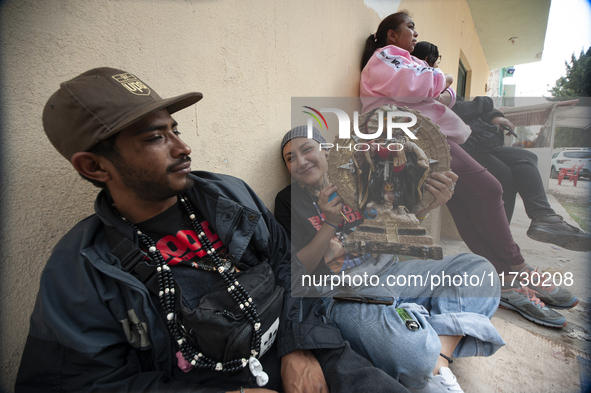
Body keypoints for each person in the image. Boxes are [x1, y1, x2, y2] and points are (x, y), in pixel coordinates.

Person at [15, 67, 409, 393]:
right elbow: (82, 384)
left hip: (308, 353)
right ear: (95, 167)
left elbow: (288, 269)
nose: (182, 147)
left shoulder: (228, 193)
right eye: (155, 137)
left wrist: (299, 347)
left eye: (175, 129)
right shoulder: (82, 268)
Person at [358, 11, 579, 329]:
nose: (416, 33)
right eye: (410, 27)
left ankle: (505, 282)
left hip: (419, 135)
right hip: (409, 136)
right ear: (391, 35)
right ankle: (520, 269)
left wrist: (441, 90)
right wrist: (443, 80)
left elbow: (435, 96)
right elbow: (420, 87)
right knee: (490, 189)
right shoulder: (386, 56)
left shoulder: (396, 60)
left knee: (462, 201)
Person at [274, 126, 505, 393]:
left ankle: (438, 361)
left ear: (327, 151)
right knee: (412, 356)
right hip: (341, 293)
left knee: (480, 270)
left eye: (307, 150)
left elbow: (393, 234)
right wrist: (330, 223)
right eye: (291, 158)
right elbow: (298, 269)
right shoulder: (288, 201)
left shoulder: (359, 182)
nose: (301, 161)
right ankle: (423, 333)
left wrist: (428, 205)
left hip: (391, 272)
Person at [411, 40, 591, 252]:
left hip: (473, 144)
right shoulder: (416, 82)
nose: (433, 65)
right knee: (504, 175)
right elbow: (460, 107)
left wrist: (495, 115)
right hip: (452, 147)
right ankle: (503, 239)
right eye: (432, 60)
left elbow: (464, 105)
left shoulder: (438, 82)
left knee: (526, 158)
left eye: (434, 62)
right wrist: (484, 103)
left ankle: (544, 217)